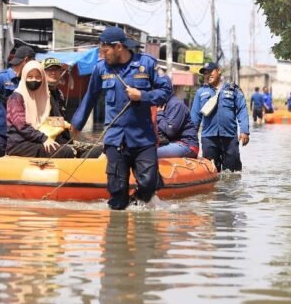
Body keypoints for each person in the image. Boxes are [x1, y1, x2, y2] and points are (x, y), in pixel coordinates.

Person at [70, 27, 172, 210]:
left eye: (105, 50)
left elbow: (166, 91)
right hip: (115, 138)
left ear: (118, 47)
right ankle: (117, 232)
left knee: (149, 184)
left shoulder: (146, 64)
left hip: (143, 138)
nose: (103, 55)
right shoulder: (101, 68)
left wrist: (142, 96)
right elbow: (90, 97)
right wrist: (77, 124)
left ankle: (137, 206)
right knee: (117, 191)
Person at [6, 61, 76, 158]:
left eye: (38, 77)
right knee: (65, 152)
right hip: (20, 143)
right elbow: (21, 125)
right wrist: (44, 139)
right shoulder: (16, 98)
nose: (34, 80)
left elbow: (46, 120)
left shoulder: (43, 96)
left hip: (37, 139)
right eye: (30, 77)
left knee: (77, 150)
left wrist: (66, 124)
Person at [190, 62, 250, 172]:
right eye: (205, 73)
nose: (208, 75)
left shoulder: (233, 90)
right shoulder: (200, 92)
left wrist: (244, 130)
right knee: (211, 172)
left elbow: (242, 110)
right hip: (209, 138)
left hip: (230, 137)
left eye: (210, 71)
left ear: (219, 70)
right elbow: (195, 116)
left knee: (233, 174)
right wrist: (191, 138)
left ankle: (230, 190)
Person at [156, 85, 199, 159]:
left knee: (148, 154)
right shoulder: (162, 104)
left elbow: (170, 131)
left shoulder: (176, 105)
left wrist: (159, 114)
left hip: (186, 145)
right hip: (173, 143)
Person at [43, 57, 71, 143]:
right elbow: (41, 121)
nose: (53, 72)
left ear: (60, 72)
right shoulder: (40, 93)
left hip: (62, 138)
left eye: (56, 69)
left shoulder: (60, 94)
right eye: (49, 69)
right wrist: (65, 124)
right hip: (47, 140)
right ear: (42, 72)